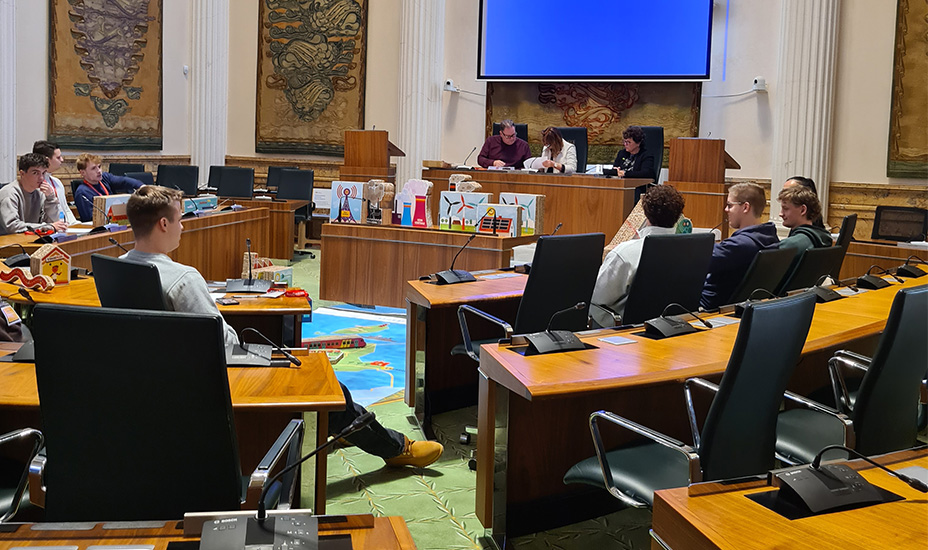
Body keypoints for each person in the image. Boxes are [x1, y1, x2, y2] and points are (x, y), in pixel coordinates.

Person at [122, 186, 443, 469]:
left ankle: (341, 427)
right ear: (163, 224)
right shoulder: (183, 278)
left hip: (161, 378)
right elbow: (222, 345)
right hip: (214, 376)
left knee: (298, 364)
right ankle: (397, 448)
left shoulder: (119, 268)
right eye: (179, 220)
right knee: (319, 379)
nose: (182, 227)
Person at [592, 185, 685, 321]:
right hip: (672, 327)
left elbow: (597, 298)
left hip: (625, 332)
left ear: (645, 214)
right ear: (678, 217)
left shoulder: (624, 254)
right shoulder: (688, 250)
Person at [700, 182, 779, 310]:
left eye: (730, 205)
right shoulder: (770, 239)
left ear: (745, 207)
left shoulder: (739, 245)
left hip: (706, 308)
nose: (726, 210)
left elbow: (695, 264)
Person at [0, 153, 66, 235]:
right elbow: (12, 226)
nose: (41, 178)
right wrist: (48, 226)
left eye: (43, 173)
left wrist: (50, 198)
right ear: (22, 173)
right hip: (8, 244)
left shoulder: (40, 193)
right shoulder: (9, 193)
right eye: (35, 173)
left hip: (30, 240)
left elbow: (54, 222)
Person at [74, 153, 145, 222]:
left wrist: (142, 186)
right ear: (83, 173)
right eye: (93, 168)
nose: (99, 171)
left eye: (99, 167)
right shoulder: (82, 192)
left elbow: (123, 181)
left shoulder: (104, 178)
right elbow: (90, 219)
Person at [32, 140, 77, 225]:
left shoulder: (57, 182)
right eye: (58, 157)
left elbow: (65, 209)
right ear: (47, 160)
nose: (62, 160)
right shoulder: (35, 185)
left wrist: (75, 224)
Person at [613, 126, 657, 203]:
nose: (625, 144)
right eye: (624, 141)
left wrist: (625, 173)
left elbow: (646, 173)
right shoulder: (622, 153)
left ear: (638, 143)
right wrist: (615, 171)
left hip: (637, 189)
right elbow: (616, 168)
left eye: (629, 142)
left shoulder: (646, 155)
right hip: (621, 186)